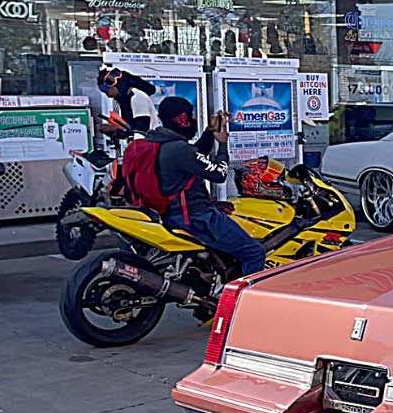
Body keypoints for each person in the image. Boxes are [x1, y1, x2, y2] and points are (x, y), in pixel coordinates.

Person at [143, 97, 266, 276]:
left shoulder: (162, 143)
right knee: (254, 253)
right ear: (181, 119)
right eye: (191, 116)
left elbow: (195, 155)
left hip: (173, 214)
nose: (194, 119)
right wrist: (223, 143)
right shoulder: (179, 149)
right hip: (197, 217)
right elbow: (219, 175)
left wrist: (210, 132)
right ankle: (245, 293)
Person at [96, 66, 158, 138]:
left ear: (115, 86)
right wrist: (112, 131)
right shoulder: (125, 100)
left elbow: (141, 130)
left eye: (107, 92)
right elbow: (129, 130)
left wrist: (115, 129)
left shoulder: (137, 97)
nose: (108, 96)